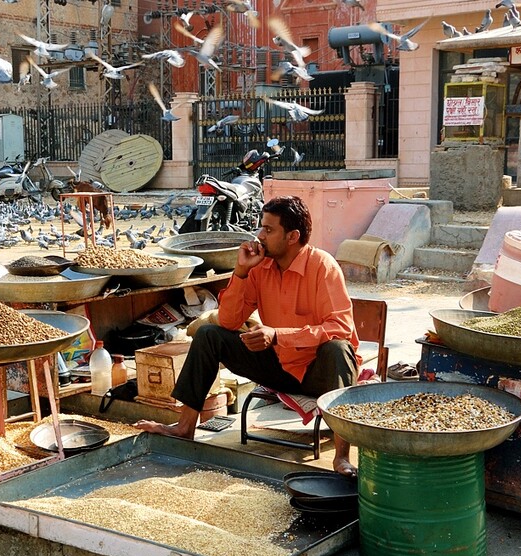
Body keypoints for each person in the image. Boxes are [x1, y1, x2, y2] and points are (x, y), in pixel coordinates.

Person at [135, 196, 362, 477]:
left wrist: (278, 335)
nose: (260, 236)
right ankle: (184, 427)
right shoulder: (259, 267)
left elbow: (340, 327)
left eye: (269, 230)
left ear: (293, 237)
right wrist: (240, 271)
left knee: (338, 349)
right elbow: (229, 321)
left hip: (319, 372)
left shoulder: (322, 266)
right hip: (279, 365)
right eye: (261, 227)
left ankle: (342, 456)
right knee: (209, 334)